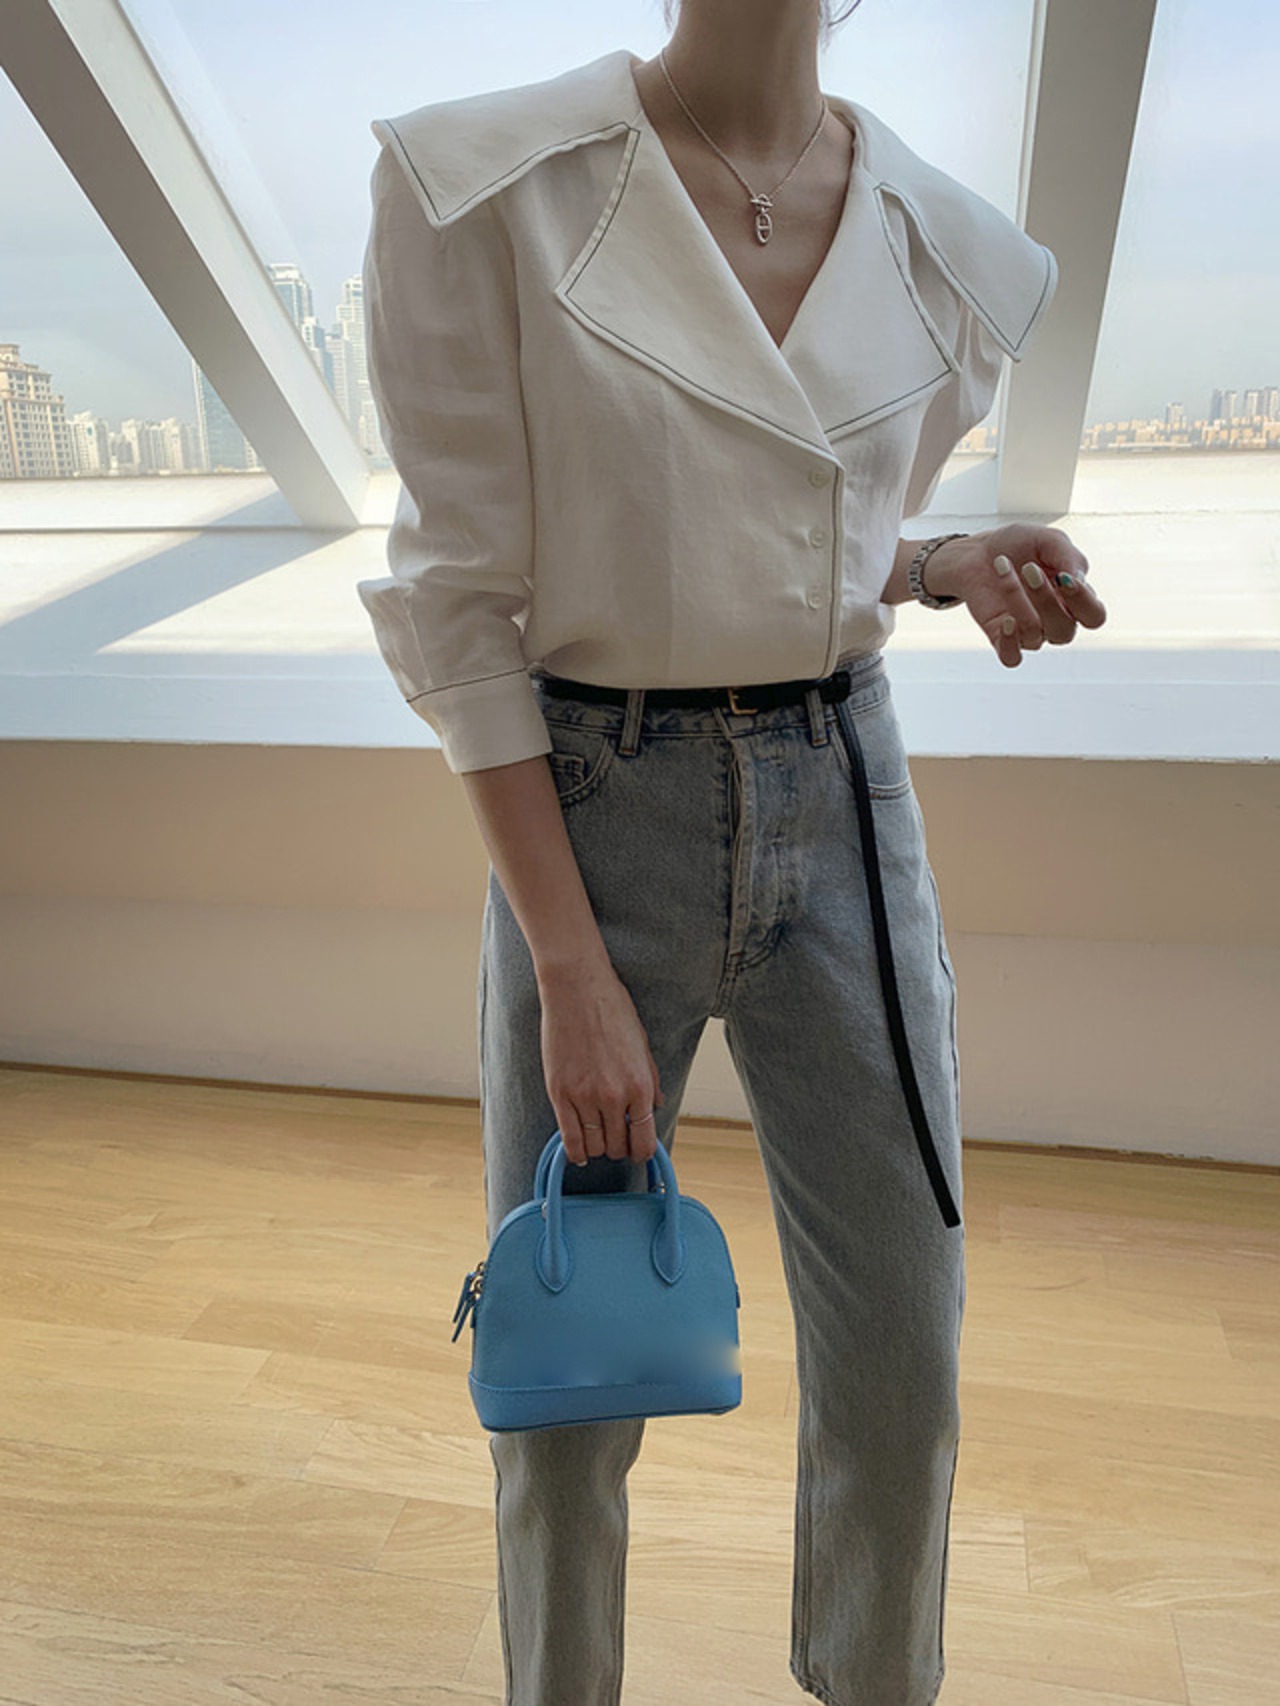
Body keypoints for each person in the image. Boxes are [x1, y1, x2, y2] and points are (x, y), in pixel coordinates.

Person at [358, 3, 1106, 1701]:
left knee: (906, 1360)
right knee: (568, 1380)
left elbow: (799, 530)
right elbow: (463, 607)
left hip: (845, 799)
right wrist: (567, 969)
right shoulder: (492, 188)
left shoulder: (940, 245)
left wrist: (938, 560)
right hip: (592, 815)